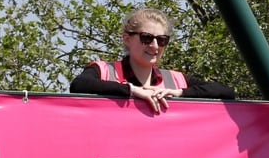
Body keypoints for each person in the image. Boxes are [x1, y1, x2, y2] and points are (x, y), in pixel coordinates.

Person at [70, 8, 236, 110]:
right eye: (147, 38)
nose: (155, 46)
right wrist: (131, 90)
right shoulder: (104, 71)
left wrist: (180, 93)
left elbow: (226, 92)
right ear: (127, 39)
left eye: (162, 40)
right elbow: (78, 85)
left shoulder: (176, 80)